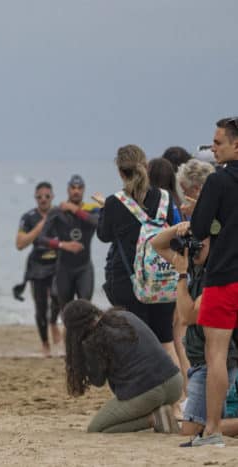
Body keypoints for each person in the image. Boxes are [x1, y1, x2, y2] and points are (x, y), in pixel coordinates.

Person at [151, 222, 238, 444]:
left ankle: (215, 425)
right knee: (196, 426)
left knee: (192, 430)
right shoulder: (193, 267)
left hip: (218, 363)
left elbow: (187, 316)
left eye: (202, 243)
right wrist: (185, 225)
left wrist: (181, 277)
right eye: (193, 242)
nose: (195, 247)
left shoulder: (220, 276)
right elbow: (157, 244)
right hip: (200, 362)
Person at [97, 145, 178, 353]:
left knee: (135, 342)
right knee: (165, 341)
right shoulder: (165, 198)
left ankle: (144, 384)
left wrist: (105, 211)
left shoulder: (114, 202)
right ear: (146, 166)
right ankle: (177, 386)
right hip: (161, 278)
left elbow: (103, 236)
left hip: (128, 279)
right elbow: (171, 232)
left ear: (120, 172)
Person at [187, 117, 238, 447]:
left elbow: (199, 227)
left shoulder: (219, 181)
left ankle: (213, 429)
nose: (213, 148)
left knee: (216, 353)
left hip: (225, 276)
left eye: (218, 142)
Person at [63, 300, 182, 433]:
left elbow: (98, 381)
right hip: (175, 383)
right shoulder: (124, 315)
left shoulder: (92, 342)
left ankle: (155, 418)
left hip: (148, 393)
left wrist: (82, 356)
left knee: (96, 428)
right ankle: (162, 411)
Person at [36, 175, 98, 311]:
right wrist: (63, 245)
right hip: (64, 269)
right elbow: (40, 238)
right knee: (67, 311)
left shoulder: (92, 211)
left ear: (84, 190)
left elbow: (98, 223)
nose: (76, 191)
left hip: (84, 268)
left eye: (79, 188)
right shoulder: (57, 212)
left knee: (86, 309)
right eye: (73, 188)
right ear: (68, 190)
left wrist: (75, 210)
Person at [15, 181, 60, 356]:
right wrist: (41, 226)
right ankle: (45, 344)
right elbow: (20, 244)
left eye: (47, 196)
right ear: (35, 198)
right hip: (37, 265)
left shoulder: (59, 214)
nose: (43, 199)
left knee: (58, 296)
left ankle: (54, 322)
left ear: (52, 197)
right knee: (40, 308)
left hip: (58, 263)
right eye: (40, 197)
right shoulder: (28, 217)